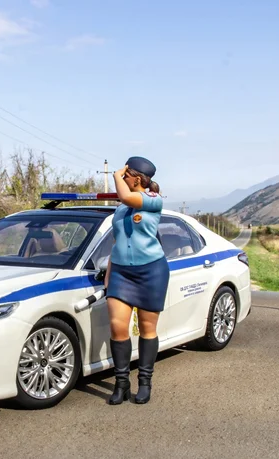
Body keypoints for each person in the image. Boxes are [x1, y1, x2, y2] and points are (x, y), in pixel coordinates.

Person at [104, 156, 170, 405]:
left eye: (126, 175)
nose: (123, 177)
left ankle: (145, 382)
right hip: (121, 272)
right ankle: (121, 384)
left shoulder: (153, 200)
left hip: (151, 271)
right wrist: (109, 275)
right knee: (118, 327)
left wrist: (114, 176)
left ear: (137, 178)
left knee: (146, 328)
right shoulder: (121, 209)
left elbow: (127, 197)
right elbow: (116, 242)